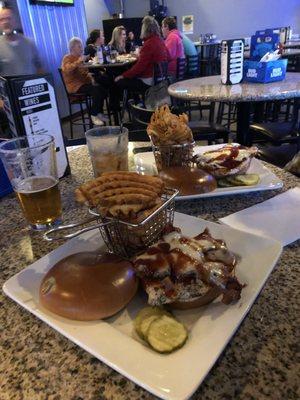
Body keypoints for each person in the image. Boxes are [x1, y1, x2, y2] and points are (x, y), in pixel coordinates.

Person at [114, 16, 169, 96]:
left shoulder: (148, 44)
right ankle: (137, 102)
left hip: (148, 81)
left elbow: (140, 67)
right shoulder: (160, 41)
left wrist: (123, 75)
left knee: (119, 81)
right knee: (131, 77)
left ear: (145, 29)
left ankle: (132, 105)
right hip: (160, 79)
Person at [61, 37, 107, 126]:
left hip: (83, 84)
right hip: (74, 86)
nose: (82, 48)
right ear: (72, 48)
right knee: (96, 90)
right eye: (79, 47)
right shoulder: (67, 58)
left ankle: (99, 113)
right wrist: (79, 61)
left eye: (81, 46)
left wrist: (89, 76)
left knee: (102, 88)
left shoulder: (80, 58)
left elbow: (83, 73)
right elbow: (66, 69)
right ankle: (93, 115)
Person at [0, 6, 43, 76]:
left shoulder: (29, 43)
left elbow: (39, 67)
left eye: (8, 18)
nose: (5, 22)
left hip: (30, 85)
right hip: (9, 87)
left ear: (15, 21)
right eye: (2, 20)